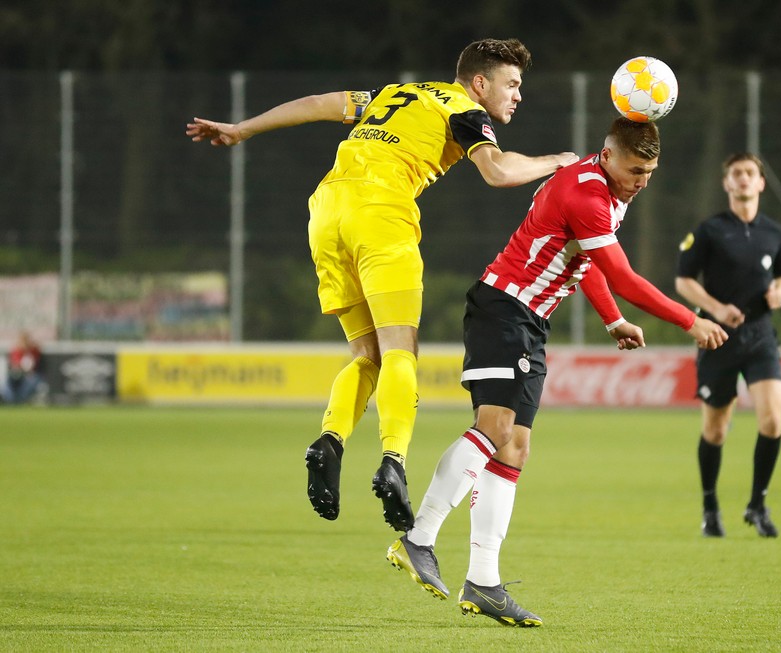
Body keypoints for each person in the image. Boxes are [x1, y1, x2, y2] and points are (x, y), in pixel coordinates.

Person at [186, 39, 579, 532]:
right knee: (399, 352)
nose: (518, 95)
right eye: (512, 84)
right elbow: (498, 172)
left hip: (326, 212)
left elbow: (319, 103)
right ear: (480, 82)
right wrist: (556, 161)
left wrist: (242, 129)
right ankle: (394, 460)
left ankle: (329, 440)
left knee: (366, 355)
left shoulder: (395, 94)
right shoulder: (463, 109)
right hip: (381, 214)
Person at [384, 117, 728, 626]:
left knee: (514, 448)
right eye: (635, 170)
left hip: (530, 320)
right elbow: (623, 276)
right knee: (496, 428)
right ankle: (419, 538)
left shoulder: (608, 189)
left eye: (650, 173)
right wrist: (690, 321)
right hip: (505, 308)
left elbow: (586, 261)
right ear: (607, 156)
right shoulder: (586, 193)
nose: (642, 181)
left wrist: (611, 320)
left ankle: (483, 582)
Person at [674, 152, 781, 539]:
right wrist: (716, 308)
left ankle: (758, 505)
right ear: (726, 183)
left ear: (761, 182)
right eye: (736, 173)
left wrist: (779, 291)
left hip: (760, 336)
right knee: (716, 431)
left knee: (773, 420)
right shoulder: (709, 230)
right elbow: (683, 281)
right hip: (718, 337)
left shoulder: (775, 233)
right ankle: (710, 508)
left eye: (749, 173)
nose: (743, 178)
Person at [1, 331, 45, 405]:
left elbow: (37, 365)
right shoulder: (16, 350)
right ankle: (11, 400)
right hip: (18, 375)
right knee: (7, 382)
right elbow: (14, 365)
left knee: (32, 380)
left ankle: (19, 400)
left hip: (31, 375)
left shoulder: (34, 350)